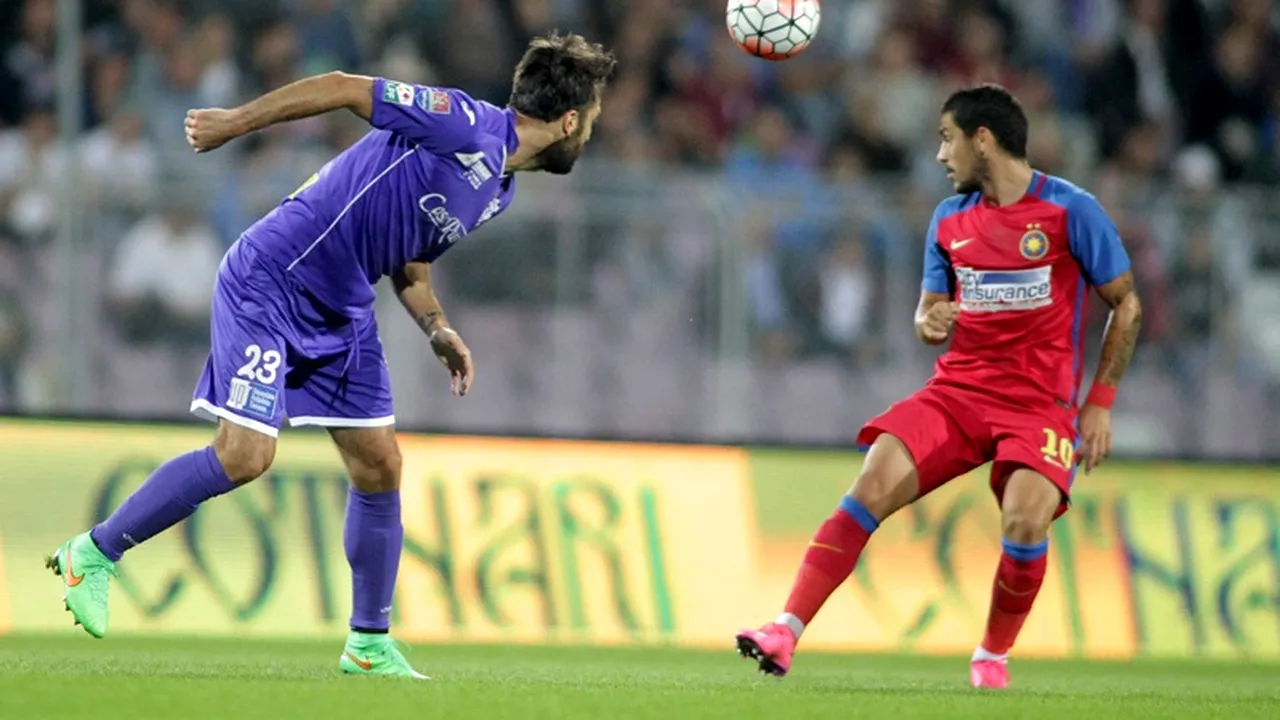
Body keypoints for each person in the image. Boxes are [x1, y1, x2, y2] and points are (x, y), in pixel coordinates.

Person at [46, 31, 616, 680]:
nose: (589, 133)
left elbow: (410, 255)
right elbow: (347, 87)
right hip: (274, 280)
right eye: (590, 121)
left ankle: (369, 644)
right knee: (245, 456)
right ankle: (92, 552)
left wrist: (435, 326)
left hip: (343, 309)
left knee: (380, 465)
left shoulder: (498, 187)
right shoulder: (462, 121)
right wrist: (234, 124)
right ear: (570, 119)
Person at [735, 84, 1143, 689]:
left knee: (1025, 523)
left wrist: (1100, 404)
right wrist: (928, 321)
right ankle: (785, 629)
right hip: (958, 394)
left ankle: (991, 658)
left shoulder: (1069, 210)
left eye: (947, 138)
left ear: (984, 139)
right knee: (872, 481)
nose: (939, 155)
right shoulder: (949, 219)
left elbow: (1126, 305)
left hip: (1039, 406)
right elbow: (929, 313)